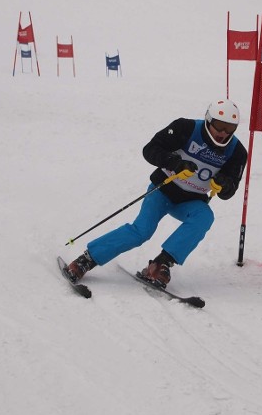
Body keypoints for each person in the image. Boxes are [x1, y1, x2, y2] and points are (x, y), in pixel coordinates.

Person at [64, 99, 248, 288]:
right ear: (209, 120)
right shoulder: (185, 128)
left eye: (230, 128)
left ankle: (161, 263)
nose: (223, 133)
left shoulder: (237, 151)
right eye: (219, 126)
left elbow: (229, 191)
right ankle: (87, 259)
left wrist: (225, 185)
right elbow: (150, 149)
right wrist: (174, 163)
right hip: (162, 190)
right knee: (141, 231)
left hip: (191, 201)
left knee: (205, 217)